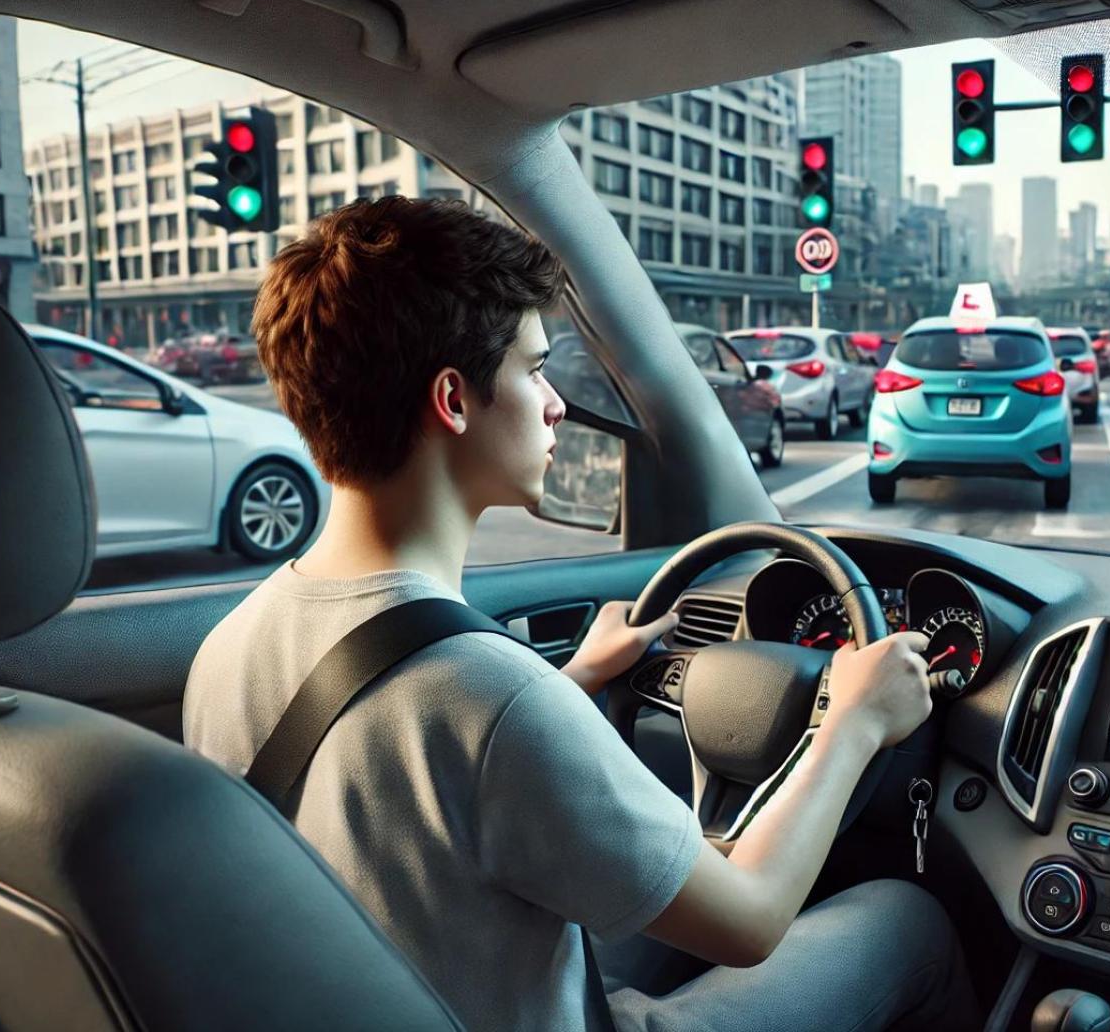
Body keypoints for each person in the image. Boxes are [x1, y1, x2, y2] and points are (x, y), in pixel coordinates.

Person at [184, 197, 976, 1032]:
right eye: (534, 370)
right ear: (453, 400)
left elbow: (401, 789)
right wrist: (853, 721)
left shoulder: (230, 646)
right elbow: (748, 918)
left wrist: (574, 683)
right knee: (905, 922)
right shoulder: (494, 701)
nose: (556, 404)